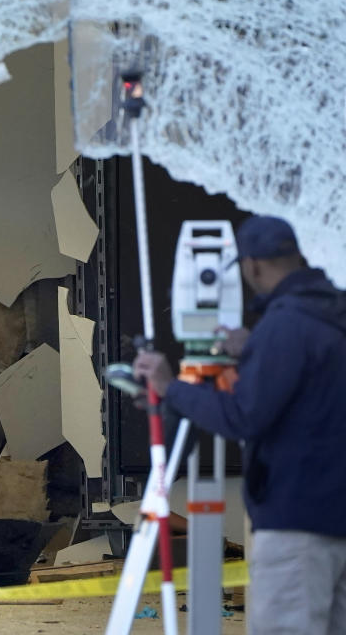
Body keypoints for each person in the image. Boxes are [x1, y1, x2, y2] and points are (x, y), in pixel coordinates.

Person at [133, 215, 346, 634]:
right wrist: (256, 350)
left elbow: (241, 416)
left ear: (250, 266)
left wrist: (169, 386)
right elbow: (309, 384)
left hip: (295, 524)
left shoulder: (285, 325)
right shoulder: (329, 315)